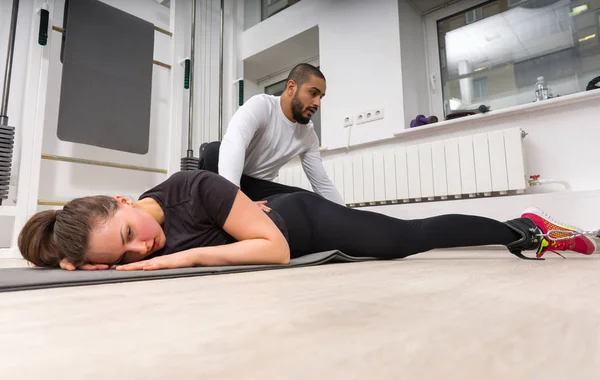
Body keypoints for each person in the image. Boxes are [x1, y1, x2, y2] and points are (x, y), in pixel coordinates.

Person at [18, 170, 597, 271]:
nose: (141, 252)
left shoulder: (194, 189)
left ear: (123, 201)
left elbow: (271, 250)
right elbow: (84, 253)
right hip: (273, 224)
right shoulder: (119, 236)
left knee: (408, 239)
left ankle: (525, 228)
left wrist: (187, 255)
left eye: (128, 238)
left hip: (305, 223)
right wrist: (70, 256)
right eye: (124, 258)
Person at [199, 63, 345, 206]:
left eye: (321, 97)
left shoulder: (308, 136)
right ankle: (226, 206)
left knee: (310, 201)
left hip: (260, 189)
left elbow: (322, 183)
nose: (318, 103)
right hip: (229, 179)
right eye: (313, 93)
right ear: (291, 87)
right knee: (213, 151)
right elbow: (234, 143)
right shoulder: (261, 106)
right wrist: (236, 201)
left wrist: (347, 215)